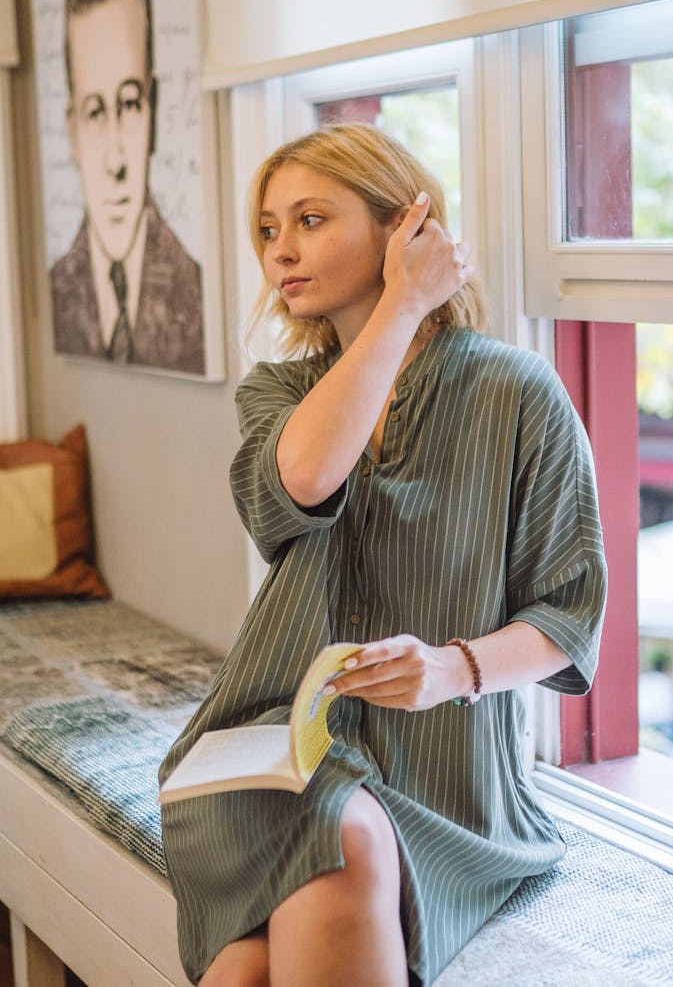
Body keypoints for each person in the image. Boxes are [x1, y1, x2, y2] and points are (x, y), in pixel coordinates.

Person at [159, 123, 607, 986]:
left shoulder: (518, 393)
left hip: (447, 780)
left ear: (405, 226)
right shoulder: (279, 391)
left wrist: (451, 667)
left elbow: (568, 612)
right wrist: (402, 306)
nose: (280, 250)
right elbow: (305, 476)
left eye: (311, 219)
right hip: (272, 749)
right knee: (316, 868)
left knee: (271, 941)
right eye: (267, 228)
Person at [51, 0, 205, 374]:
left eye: (130, 104)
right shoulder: (56, 289)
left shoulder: (196, 293)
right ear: (73, 130)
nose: (117, 161)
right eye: (96, 113)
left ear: (153, 111)